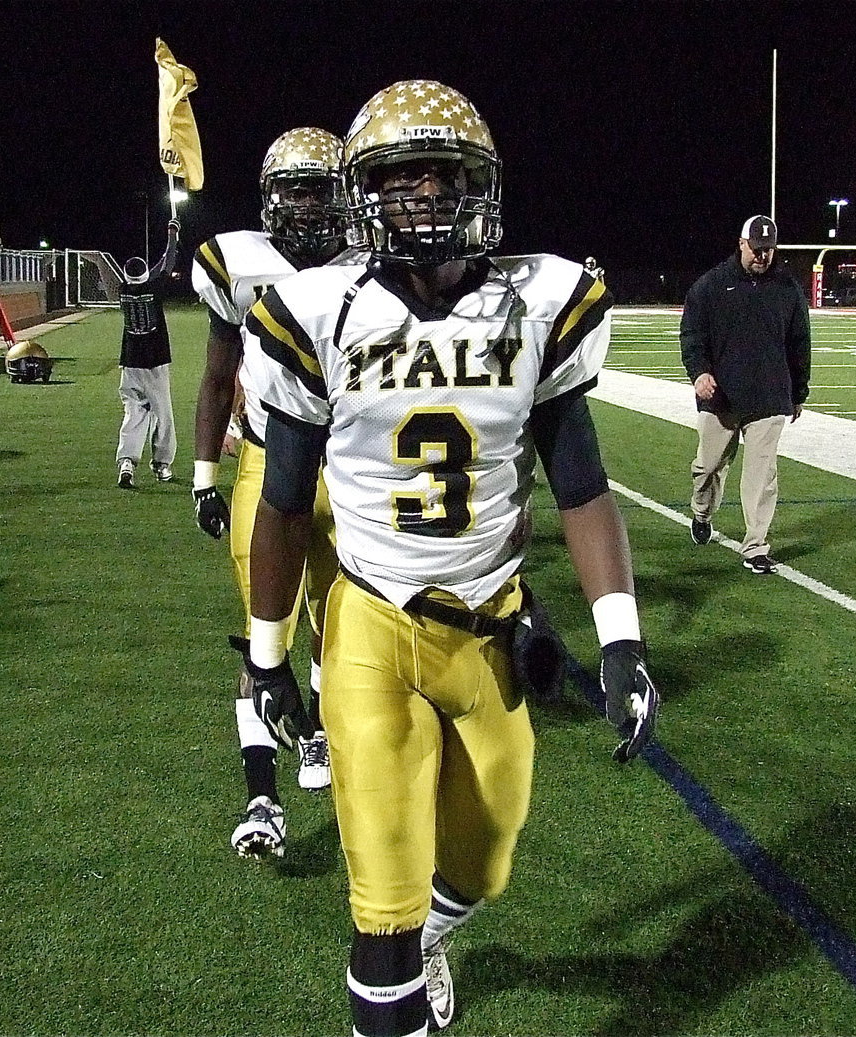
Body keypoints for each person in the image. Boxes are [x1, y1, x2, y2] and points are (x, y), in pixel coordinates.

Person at [239, 79, 660, 1037]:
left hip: (490, 622)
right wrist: (266, 658)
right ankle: (397, 968)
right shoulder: (317, 310)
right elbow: (281, 503)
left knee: (485, 858)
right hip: (372, 623)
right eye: (400, 176)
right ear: (365, 195)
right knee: (382, 904)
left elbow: (583, 485)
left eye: (444, 174)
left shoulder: (537, 301)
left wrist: (623, 639)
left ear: (484, 186)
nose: (424, 196)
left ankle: (435, 933)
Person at [190, 127, 348, 857]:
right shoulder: (237, 264)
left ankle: (315, 731)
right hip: (265, 463)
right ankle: (261, 795)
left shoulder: (372, 264)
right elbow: (219, 375)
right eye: (298, 189)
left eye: (323, 187)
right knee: (264, 629)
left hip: (349, 468)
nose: (311, 205)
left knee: (341, 625)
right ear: (270, 198)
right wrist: (203, 475)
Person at [679, 214, 811, 574]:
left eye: (768, 250)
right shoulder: (711, 286)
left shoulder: (787, 288)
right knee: (707, 467)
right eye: (756, 249)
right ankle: (702, 512)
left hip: (769, 397)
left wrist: (799, 391)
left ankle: (756, 546)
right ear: (741, 244)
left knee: (762, 475)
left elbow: (799, 342)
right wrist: (699, 373)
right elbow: (692, 335)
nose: (762, 257)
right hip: (721, 397)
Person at [116, 218, 180, 488]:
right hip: (154, 364)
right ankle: (162, 464)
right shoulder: (154, 289)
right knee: (163, 415)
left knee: (133, 413)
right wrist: (172, 235)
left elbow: (156, 269)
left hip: (130, 364)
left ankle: (127, 461)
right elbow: (166, 264)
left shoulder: (123, 290)